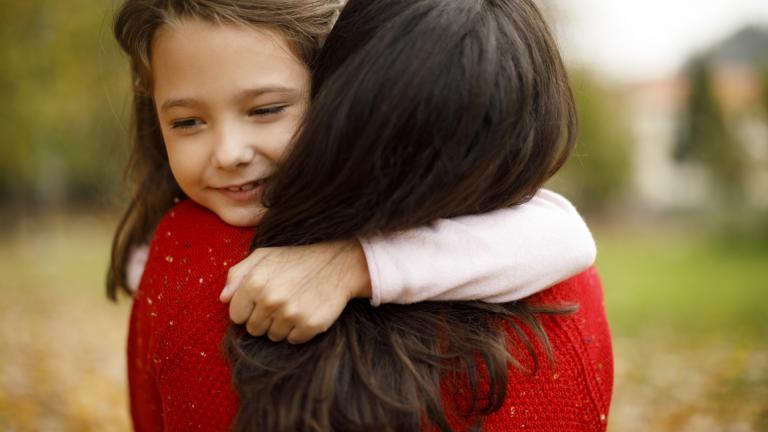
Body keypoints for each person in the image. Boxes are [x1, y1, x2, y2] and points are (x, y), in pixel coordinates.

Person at [111, 0, 611, 430]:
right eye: (187, 121)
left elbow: (565, 233)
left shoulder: (181, 256)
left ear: (339, 93)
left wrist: (355, 263)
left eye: (266, 110)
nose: (228, 152)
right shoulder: (176, 250)